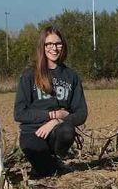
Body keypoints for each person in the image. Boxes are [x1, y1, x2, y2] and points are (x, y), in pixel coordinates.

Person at [13, 26, 88, 179]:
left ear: (63, 45)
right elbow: (19, 113)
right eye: (49, 44)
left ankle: (55, 158)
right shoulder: (29, 75)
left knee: (67, 130)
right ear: (43, 46)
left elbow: (81, 113)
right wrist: (51, 114)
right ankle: (51, 164)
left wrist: (56, 120)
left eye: (58, 43)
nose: (54, 48)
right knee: (48, 172)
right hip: (33, 132)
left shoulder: (71, 76)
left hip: (58, 129)